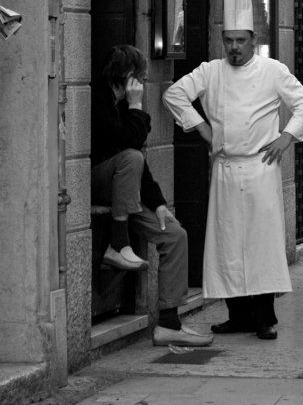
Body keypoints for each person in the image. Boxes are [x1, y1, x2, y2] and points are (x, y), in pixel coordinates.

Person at [163, 0, 303, 340]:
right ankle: (237, 316)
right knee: (228, 245)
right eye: (228, 40)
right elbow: (175, 95)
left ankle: (264, 317)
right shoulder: (211, 71)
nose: (233, 47)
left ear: (252, 38)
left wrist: (286, 137)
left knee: (261, 245)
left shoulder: (272, 70)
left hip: (261, 169)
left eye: (240, 40)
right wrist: (202, 129)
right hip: (227, 169)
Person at [91, 44, 213, 348]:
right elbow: (127, 147)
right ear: (128, 76)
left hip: (127, 195)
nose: (142, 84)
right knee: (131, 157)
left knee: (175, 234)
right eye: (140, 78)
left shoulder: (122, 105)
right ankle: (119, 243)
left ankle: (170, 323)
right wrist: (135, 107)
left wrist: (158, 204)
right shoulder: (98, 101)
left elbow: (140, 163)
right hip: (98, 182)